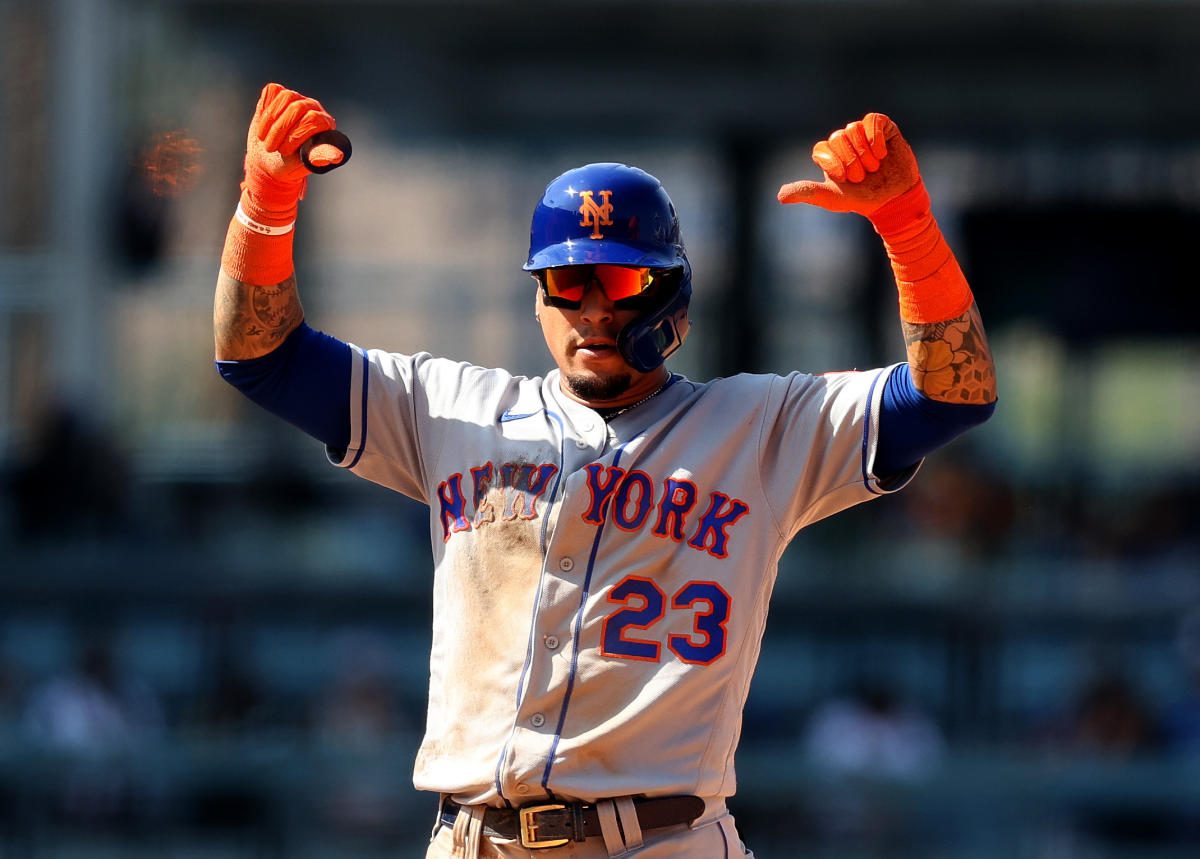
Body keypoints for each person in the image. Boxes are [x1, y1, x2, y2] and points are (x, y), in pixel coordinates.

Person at [214, 84, 997, 858]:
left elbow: (951, 395)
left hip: (660, 839)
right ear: (539, 298)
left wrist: (907, 226)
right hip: (471, 839)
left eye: (620, 282)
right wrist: (266, 200)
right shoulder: (447, 409)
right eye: (567, 280)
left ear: (671, 295)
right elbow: (262, 359)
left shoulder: (762, 428)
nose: (594, 308)